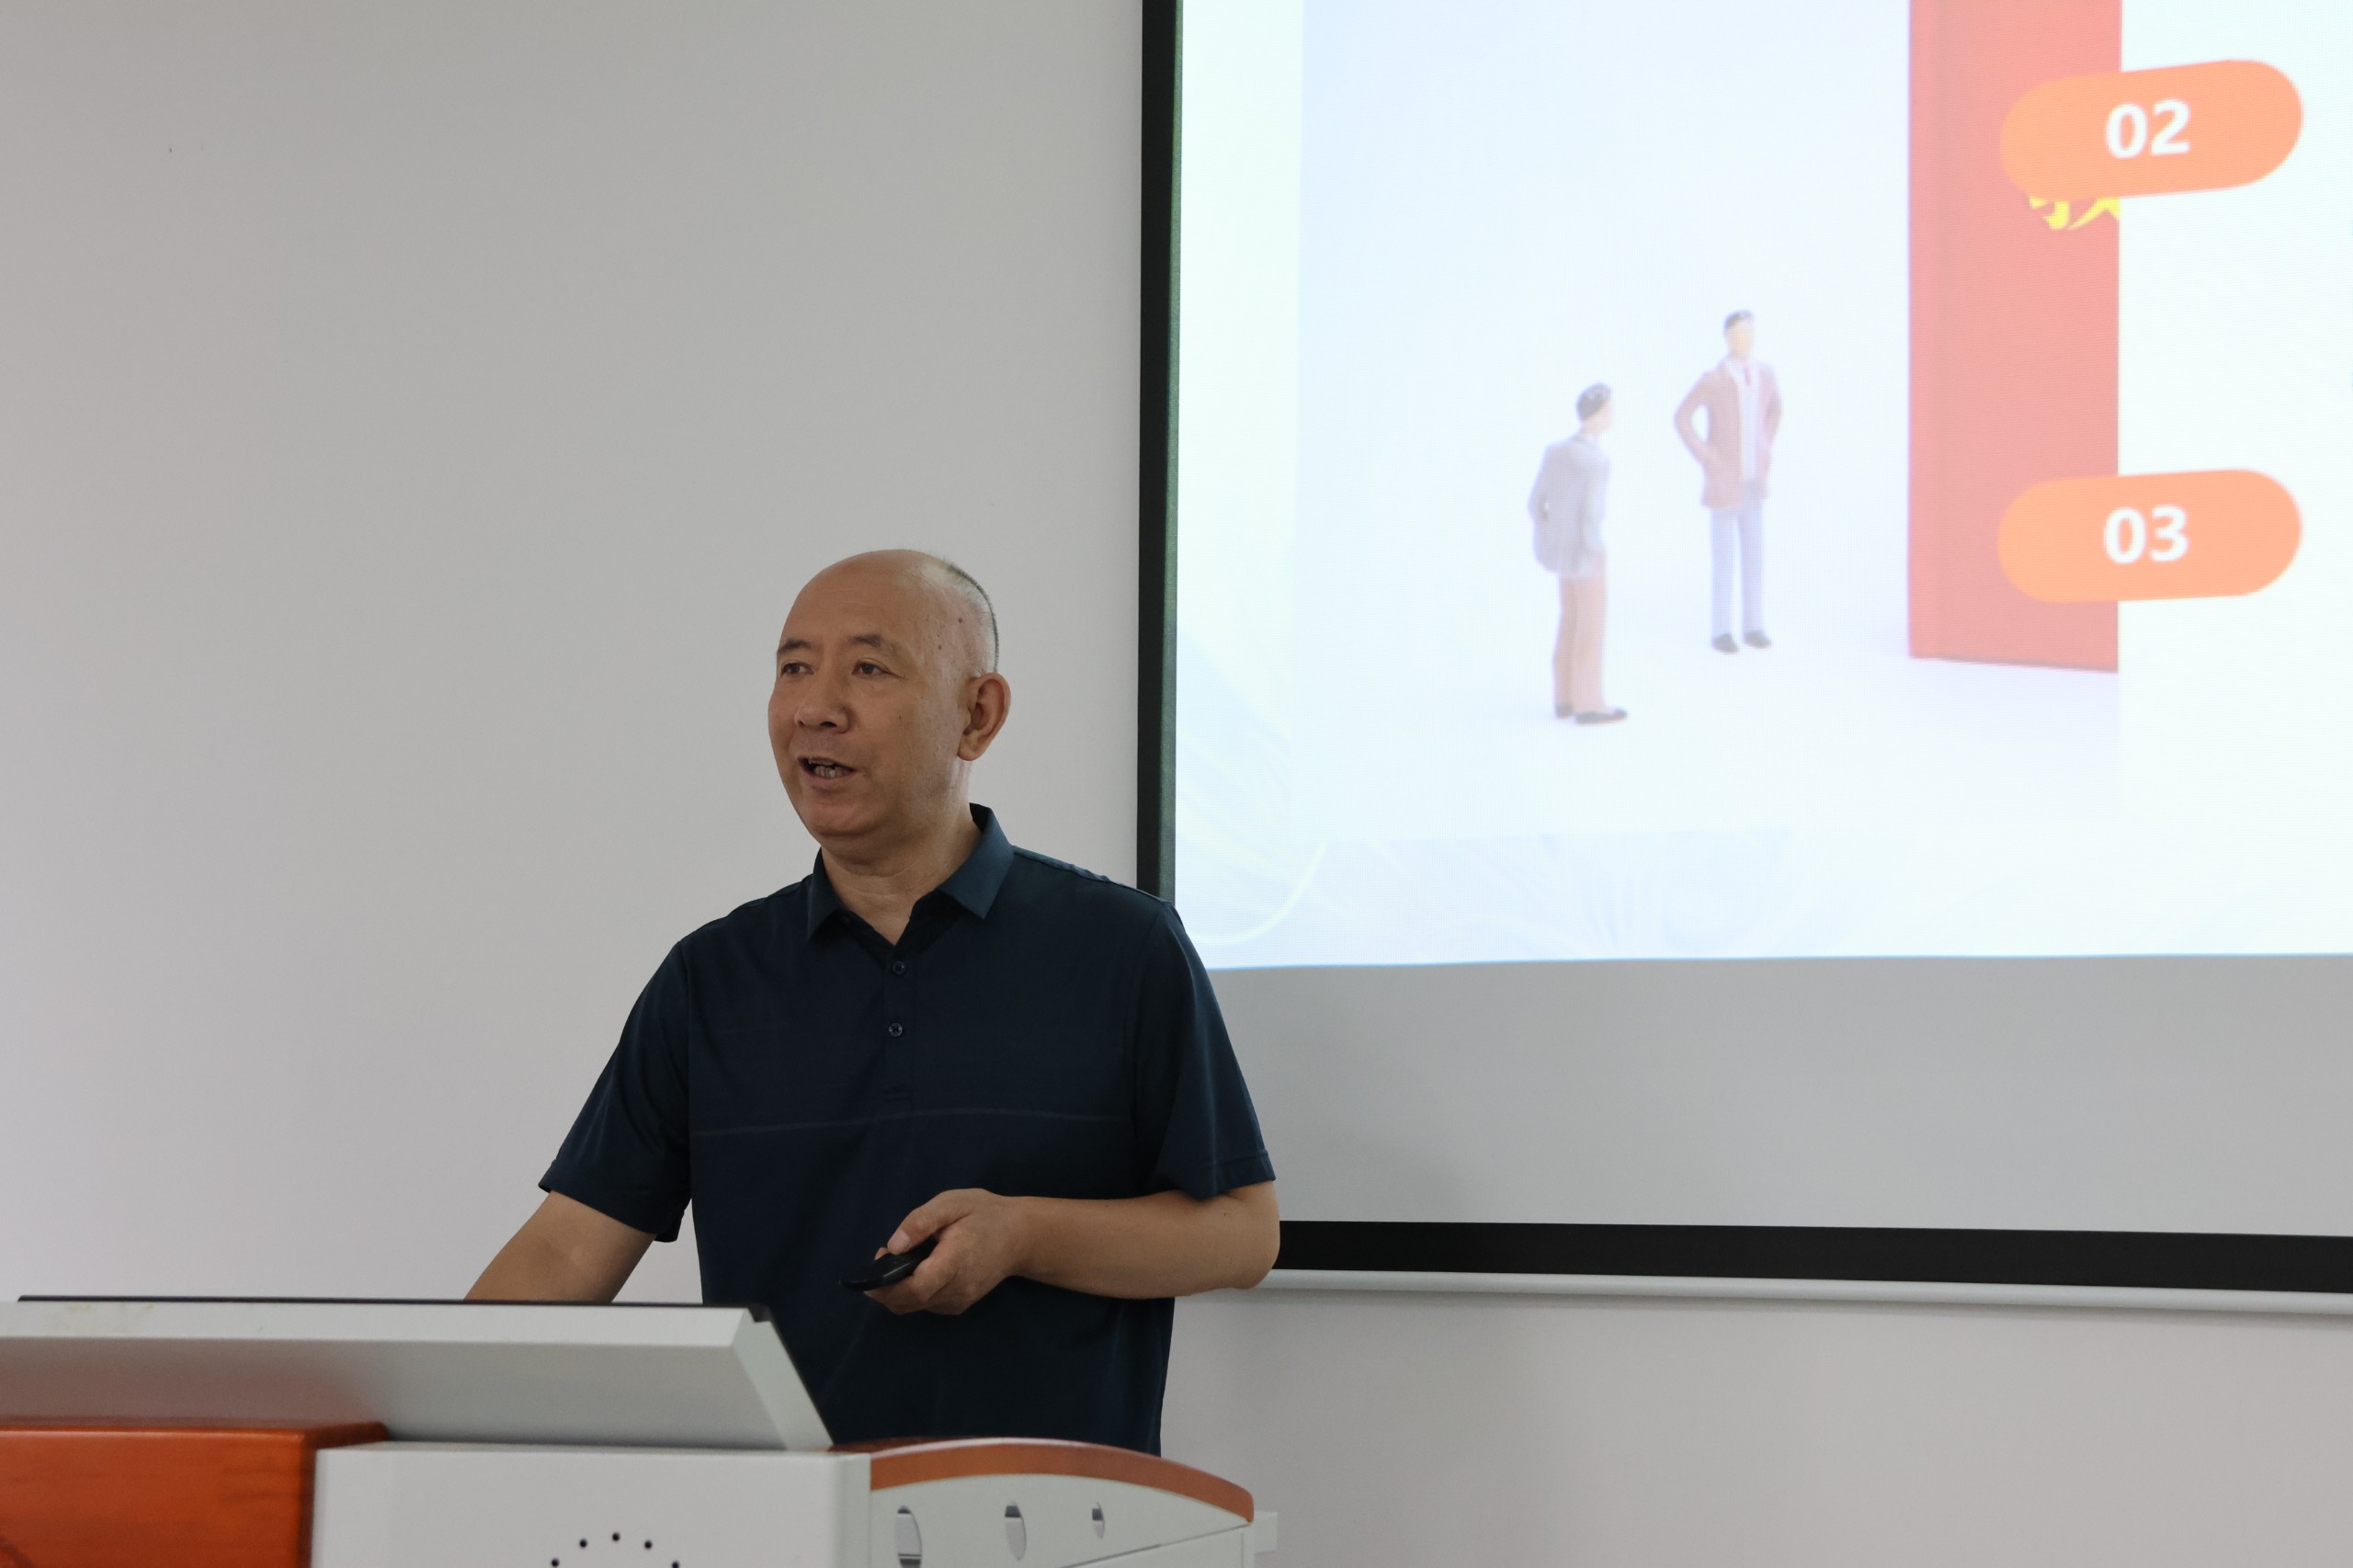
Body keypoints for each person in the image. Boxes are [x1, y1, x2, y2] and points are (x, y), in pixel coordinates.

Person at [469, 551, 1279, 1455]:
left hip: (1057, 1512)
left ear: (978, 714)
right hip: (787, 1515)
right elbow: (567, 1249)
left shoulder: (1124, 947)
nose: (815, 706)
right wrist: (413, 1414)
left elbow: (1241, 1233)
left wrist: (1024, 1233)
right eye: (793, 667)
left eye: (867, 667)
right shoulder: (711, 978)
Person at [1674, 310, 1782, 653]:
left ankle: (1754, 625)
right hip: (1724, 484)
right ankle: (1721, 629)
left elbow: (1775, 410)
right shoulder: (1715, 380)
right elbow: (1682, 417)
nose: (1745, 339)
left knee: (1754, 559)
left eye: (1750, 332)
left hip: (1753, 483)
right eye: (1738, 333)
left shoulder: (1765, 374)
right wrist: (1707, 457)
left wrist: (1764, 444)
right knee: (1723, 560)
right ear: (1727, 337)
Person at [1526, 383, 1625, 724]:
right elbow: (1592, 515)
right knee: (1590, 628)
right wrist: (1594, 548)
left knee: (1569, 620)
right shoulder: (1596, 462)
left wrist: (1553, 538)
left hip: (1563, 556)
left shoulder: (1555, 453)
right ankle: (1588, 703)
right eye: (1609, 410)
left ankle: (1564, 696)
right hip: (1586, 555)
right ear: (1596, 415)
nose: (1612, 415)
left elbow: (1535, 504)